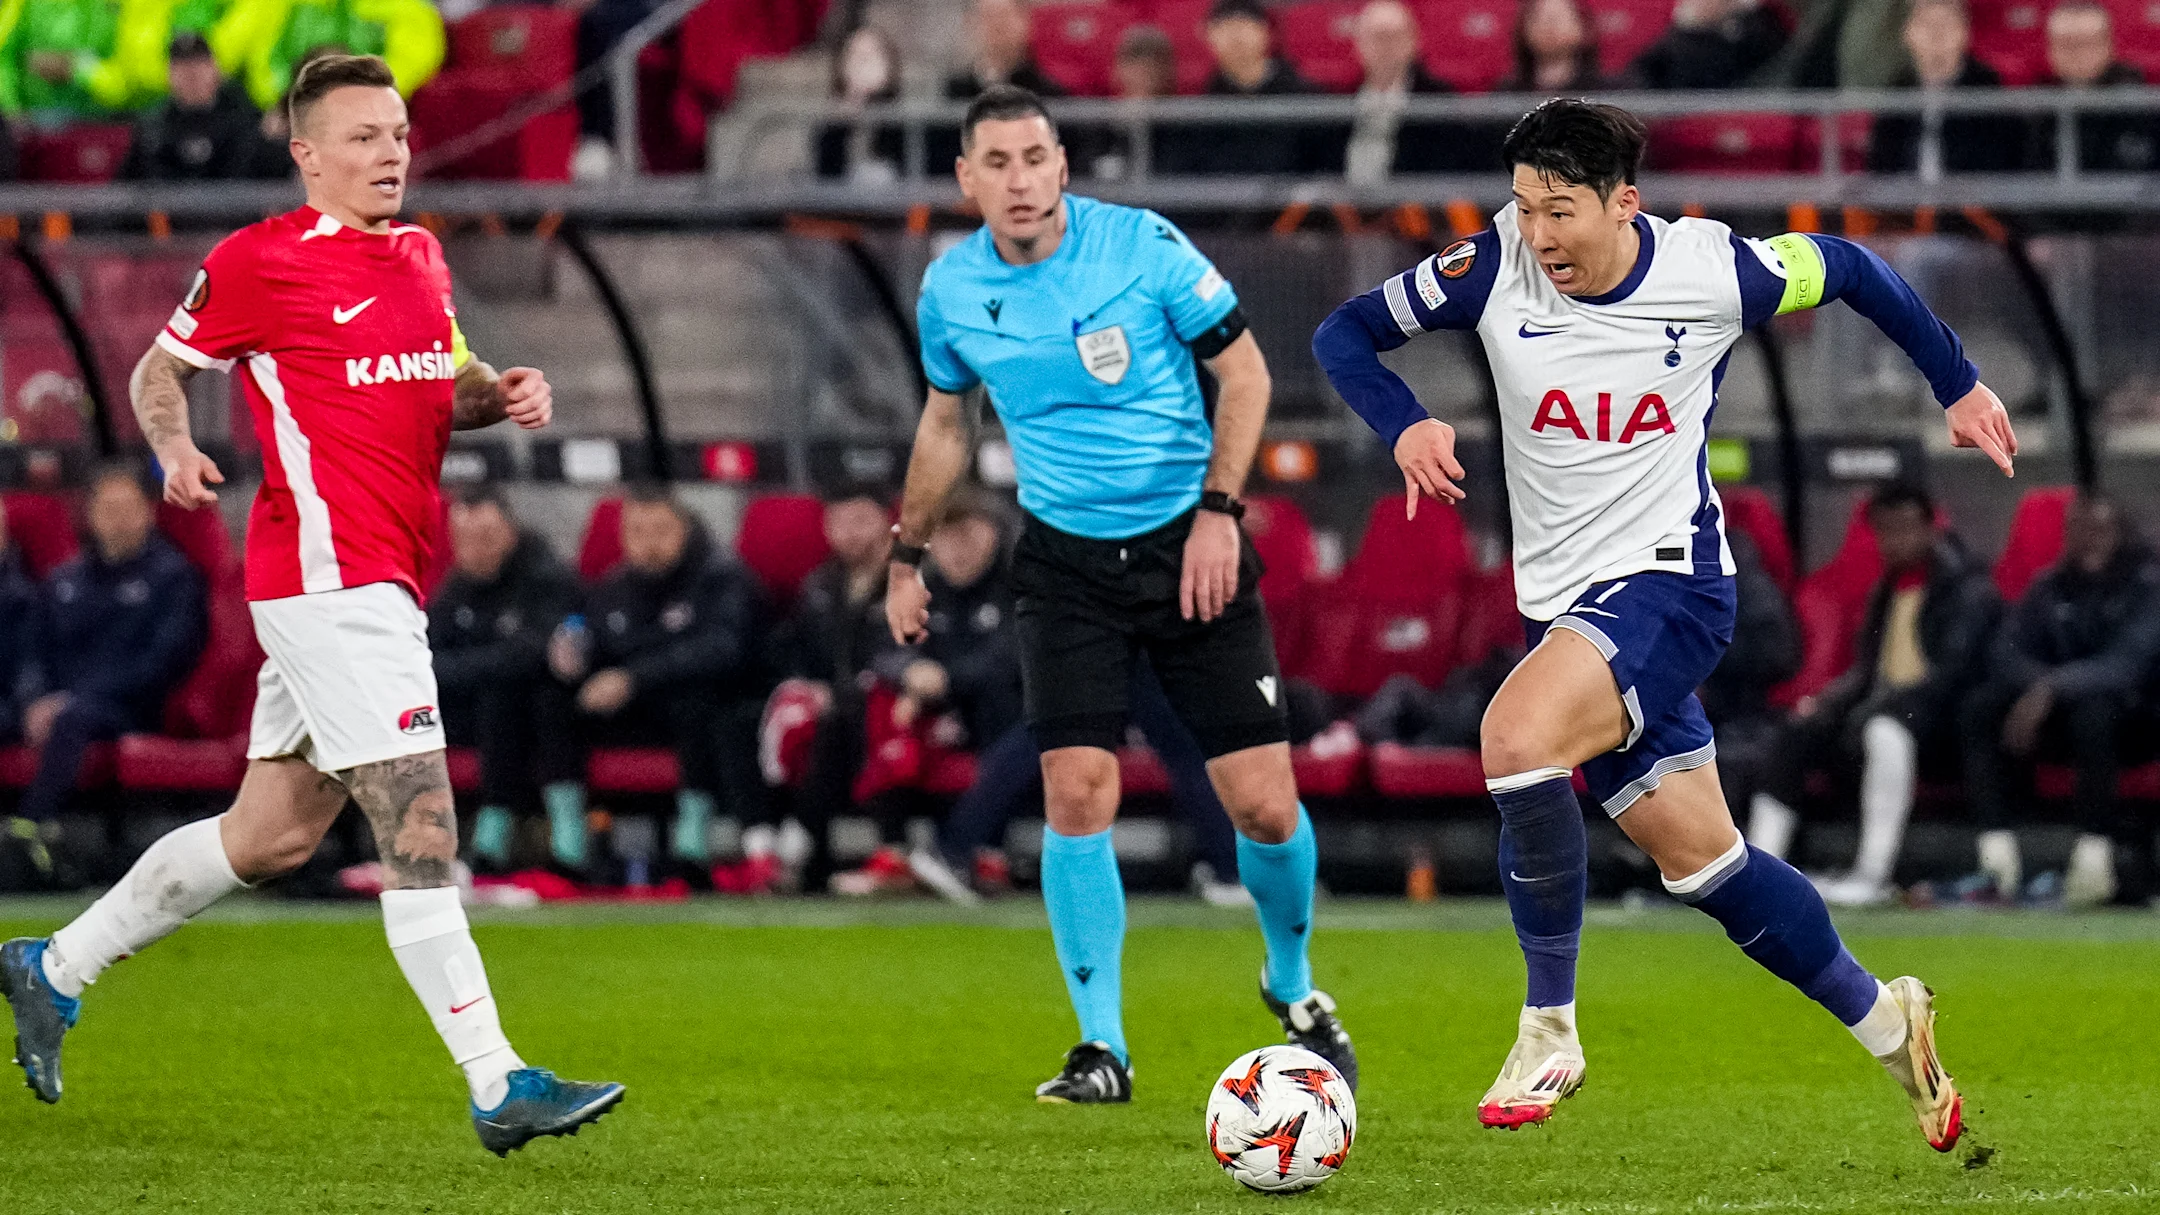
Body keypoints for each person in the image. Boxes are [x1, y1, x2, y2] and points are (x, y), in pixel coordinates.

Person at [1313, 99, 2018, 1146]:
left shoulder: (1713, 270)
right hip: (1567, 612)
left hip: (1671, 586)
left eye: (1560, 210)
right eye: (1523, 208)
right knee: (1709, 866)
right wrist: (1405, 419)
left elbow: (1858, 270)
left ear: (1624, 203)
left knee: (1514, 739)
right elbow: (1345, 335)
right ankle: (1887, 1018)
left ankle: (1550, 1027)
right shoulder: (1490, 265)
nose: (1538, 235)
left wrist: (1957, 386)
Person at [0, 55, 621, 1154]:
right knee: (420, 822)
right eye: (366, 137)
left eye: (397, 133)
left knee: (272, 836)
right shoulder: (259, 262)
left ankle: (54, 966)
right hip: (325, 577)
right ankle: (498, 1082)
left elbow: (444, 387)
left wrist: (501, 392)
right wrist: (176, 445)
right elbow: (158, 370)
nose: (391, 153)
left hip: (383, 575)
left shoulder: (423, 258)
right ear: (307, 155)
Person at [896, 85, 1357, 1104]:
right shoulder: (951, 291)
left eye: (1036, 158)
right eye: (998, 164)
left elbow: (1245, 375)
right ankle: (1101, 1048)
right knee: (1076, 792)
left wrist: (1221, 513)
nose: (1020, 181)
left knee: (1264, 808)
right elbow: (945, 423)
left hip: (1192, 548)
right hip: (1065, 566)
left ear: (1063, 166)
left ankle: (1293, 986)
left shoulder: (1142, 246)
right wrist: (905, 553)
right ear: (967, 180)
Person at [1754, 484, 1999, 906]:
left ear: (1930, 528)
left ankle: (1871, 875)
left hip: (1942, 723)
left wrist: (1875, 708)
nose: (1894, 542)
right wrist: (1825, 703)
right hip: (1878, 712)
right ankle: (1756, 873)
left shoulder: (1969, 589)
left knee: (1885, 729)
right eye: (1885, 531)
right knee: (1796, 733)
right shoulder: (1886, 590)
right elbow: (1867, 671)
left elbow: (1953, 674)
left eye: (1905, 529)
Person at [550, 485, 769, 884]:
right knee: (551, 701)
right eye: (636, 532)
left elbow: (723, 651)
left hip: (700, 710)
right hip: (634, 712)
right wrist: (574, 659)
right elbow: (595, 639)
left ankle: (692, 842)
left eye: (660, 531)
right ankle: (567, 847)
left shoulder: (721, 577)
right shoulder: (614, 587)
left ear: (685, 529)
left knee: (698, 698)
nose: (648, 544)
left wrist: (633, 678)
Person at [1959, 494, 2160, 906]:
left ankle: (2095, 855)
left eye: (2100, 530)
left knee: (2096, 715)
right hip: (2057, 716)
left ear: (2121, 535)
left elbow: (2128, 664)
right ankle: (1996, 855)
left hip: (2135, 722)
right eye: (2078, 530)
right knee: (1980, 707)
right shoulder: (2049, 586)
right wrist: (2042, 688)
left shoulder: (2147, 587)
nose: (2088, 540)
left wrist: (2049, 689)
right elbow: (2006, 651)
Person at [834, 492, 1021, 896]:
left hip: (1003, 715)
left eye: (968, 535)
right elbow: (883, 650)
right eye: (946, 538)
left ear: (992, 533)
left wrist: (945, 680)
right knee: (874, 701)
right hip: (935, 716)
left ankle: (974, 850)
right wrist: (911, 673)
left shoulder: (1017, 583)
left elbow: (1012, 660)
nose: (957, 550)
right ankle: (895, 852)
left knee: (1007, 708)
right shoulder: (922, 585)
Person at [14, 467, 207, 853]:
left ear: (148, 512)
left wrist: (69, 700)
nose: (118, 518)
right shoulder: (63, 581)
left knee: (73, 717)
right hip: (58, 704)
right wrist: (32, 699)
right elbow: (34, 651)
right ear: (89, 514)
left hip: (135, 709)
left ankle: (29, 830)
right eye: (108, 507)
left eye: (128, 507)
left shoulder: (173, 578)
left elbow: (163, 662)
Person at [427, 485, 585, 876]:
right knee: (495, 694)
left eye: (486, 538)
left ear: (511, 532)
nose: (475, 550)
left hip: (548, 712)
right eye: (464, 540)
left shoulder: (546, 577)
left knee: (530, 695)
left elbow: (532, 656)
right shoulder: (455, 589)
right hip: (473, 709)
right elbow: (424, 657)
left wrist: (466, 668)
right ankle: (488, 837)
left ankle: (565, 837)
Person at [771, 483, 898, 892]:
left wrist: (841, 693)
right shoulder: (820, 586)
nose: (850, 533)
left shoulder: (907, 581)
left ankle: (801, 846)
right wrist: (803, 685)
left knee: (843, 721)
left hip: (890, 701)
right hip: (833, 705)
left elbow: (901, 654)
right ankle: (780, 844)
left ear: (887, 521)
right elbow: (795, 648)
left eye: (861, 521)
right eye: (839, 523)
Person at [1159, 0, 1319, 176]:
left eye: (1245, 23)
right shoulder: (1197, 119)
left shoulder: (1310, 101)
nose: (1236, 35)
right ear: (1207, 35)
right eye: (1225, 26)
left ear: (1266, 32)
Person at [1865, 0, 2025, 174]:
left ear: (1965, 32)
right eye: (1926, 23)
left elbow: (2000, 165)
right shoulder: (1896, 92)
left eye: (1947, 23)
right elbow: (1880, 170)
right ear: (1907, 34)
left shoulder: (1988, 90)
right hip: (1906, 199)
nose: (1936, 34)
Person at [120, 32, 285, 182]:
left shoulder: (246, 121)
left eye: (199, 65)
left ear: (215, 69)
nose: (191, 74)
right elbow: (125, 190)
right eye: (182, 67)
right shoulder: (153, 130)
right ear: (169, 75)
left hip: (236, 214)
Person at [1338, 0, 1472, 182]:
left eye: (1395, 37)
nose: (1386, 47)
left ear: (1413, 42)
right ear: (1358, 43)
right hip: (1342, 207)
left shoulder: (1439, 102)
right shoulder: (1337, 99)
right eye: (1377, 37)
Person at [2023, 2, 2156, 174]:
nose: (2076, 54)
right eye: (2066, 44)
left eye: (2087, 43)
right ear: (2049, 48)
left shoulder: (2141, 108)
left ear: (2109, 45)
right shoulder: (2034, 111)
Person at [1624, 0, 1788, 90]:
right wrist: (1692, 31)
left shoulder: (1762, 27)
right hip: (1679, 120)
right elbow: (1645, 75)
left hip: (1744, 108)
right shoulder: (1672, 44)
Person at [814, 25, 905, 182]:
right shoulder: (829, 126)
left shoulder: (907, 123)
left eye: (872, 54)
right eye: (854, 54)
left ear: (890, 65)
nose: (863, 61)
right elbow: (825, 175)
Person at [1499, 0, 1609, 93]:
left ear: (1583, 27)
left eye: (1560, 17)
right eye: (1540, 17)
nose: (1550, 26)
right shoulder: (1507, 94)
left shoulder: (1604, 92)